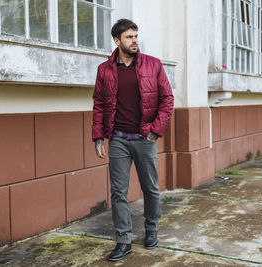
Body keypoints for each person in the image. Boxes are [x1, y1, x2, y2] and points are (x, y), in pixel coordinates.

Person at [92, 18, 174, 261]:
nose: (135, 41)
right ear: (117, 41)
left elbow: (167, 99)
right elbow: (98, 103)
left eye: (136, 36)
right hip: (118, 138)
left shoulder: (153, 65)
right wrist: (98, 137)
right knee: (118, 191)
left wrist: (156, 130)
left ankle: (151, 229)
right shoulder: (104, 70)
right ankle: (124, 240)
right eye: (129, 37)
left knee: (150, 187)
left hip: (144, 138)